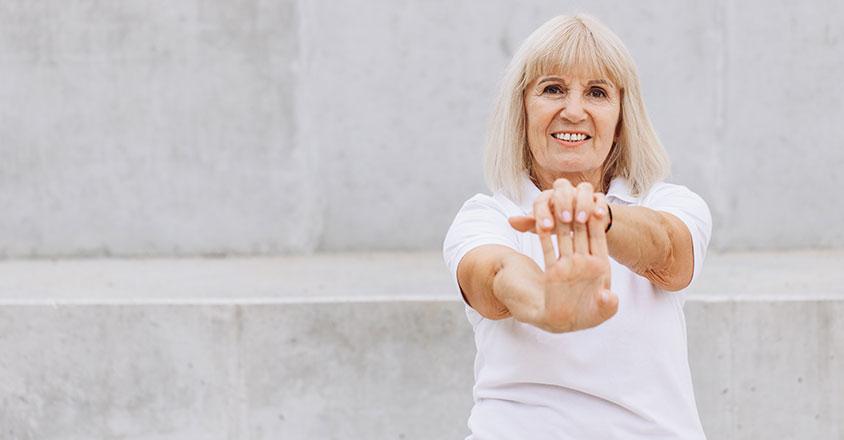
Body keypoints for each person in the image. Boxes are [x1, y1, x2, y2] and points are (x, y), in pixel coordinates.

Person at [442, 14, 712, 439]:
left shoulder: (671, 202)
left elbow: (667, 251)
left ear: (622, 119)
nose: (573, 110)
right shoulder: (485, 216)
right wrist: (547, 305)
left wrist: (596, 217)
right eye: (552, 89)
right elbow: (493, 276)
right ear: (522, 110)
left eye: (597, 92)